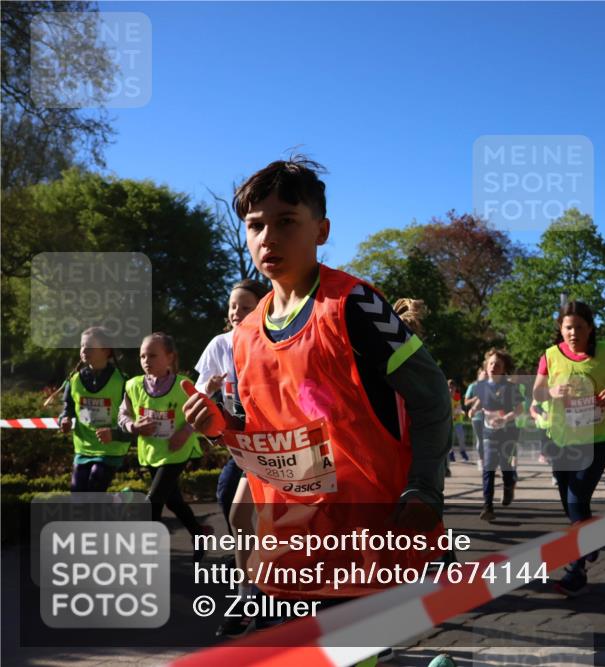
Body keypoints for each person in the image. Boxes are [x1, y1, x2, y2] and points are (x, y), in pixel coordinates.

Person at [183, 157, 451, 610]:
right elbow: (265, 432)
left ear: (321, 231)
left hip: (368, 531)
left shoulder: (353, 304)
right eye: (255, 225)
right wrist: (222, 426)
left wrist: (424, 488)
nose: (268, 237)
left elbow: (431, 395)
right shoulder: (246, 333)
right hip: (292, 535)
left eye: (286, 221)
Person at [532, 300, 605, 596]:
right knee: (570, 502)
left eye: (579, 327)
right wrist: (550, 391)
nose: (573, 333)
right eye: (568, 327)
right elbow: (537, 391)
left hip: (595, 438)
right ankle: (590, 539)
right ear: (560, 329)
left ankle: (576, 570)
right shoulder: (550, 356)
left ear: (590, 328)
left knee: (577, 498)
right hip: (560, 439)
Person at [193, 278, 269, 637]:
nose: (236, 312)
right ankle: (248, 592)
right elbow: (198, 404)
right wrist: (205, 397)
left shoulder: (274, 344)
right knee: (234, 507)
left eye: (245, 306)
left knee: (252, 514)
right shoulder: (220, 346)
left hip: (281, 448)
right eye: (232, 307)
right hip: (243, 450)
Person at [120, 332, 212, 560]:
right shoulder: (132, 385)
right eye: (142, 356)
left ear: (170, 357)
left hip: (177, 451)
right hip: (151, 452)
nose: (146, 361)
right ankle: (199, 533)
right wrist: (133, 426)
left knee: (154, 500)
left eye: (152, 355)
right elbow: (123, 416)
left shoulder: (184, 385)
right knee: (174, 501)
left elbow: (203, 412)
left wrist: (186, 431)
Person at [58, 326, 131, 493]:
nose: (84, 350)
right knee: (78, 494)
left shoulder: (123, 381)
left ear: (106, 350)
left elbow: (131, 419)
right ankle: (120, 502)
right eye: (82, 346)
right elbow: (67, 409)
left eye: (90, 347)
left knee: (95, 485)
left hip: (110, 448)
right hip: (83, 447)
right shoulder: (74, 380)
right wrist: (64, 420)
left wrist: (115, 433)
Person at [470, 349, 522, 521]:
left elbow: (520, 409)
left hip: (507, 432)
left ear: (504, 368)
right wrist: (474, 409)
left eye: (498, 364)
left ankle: (509, 484)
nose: (493, 367)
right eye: (491, 363)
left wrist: (505, 418)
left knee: (505, 466)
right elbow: (480, 400)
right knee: (489, 467)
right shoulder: (482, 386)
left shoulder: (510, 387)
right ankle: (488, 506)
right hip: (488, 432)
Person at [465, 367, 487, 470]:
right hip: (477, 417)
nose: (486, 376)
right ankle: (481, 461)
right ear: (479, 375)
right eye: (484, 374)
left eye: (487, 374)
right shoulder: (472, 386)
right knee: (481, 439)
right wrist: (475, 398)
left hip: (489, 417)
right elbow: (466, 402)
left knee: (489, 440)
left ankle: (488, 463)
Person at [447, 379, 470, 462]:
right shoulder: (446, 397)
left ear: (455, 388)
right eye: (449, 387)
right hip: (449, 421)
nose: (450, 389)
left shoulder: (457, 396)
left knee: (461, 437)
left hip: (458, 421)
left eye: (452, 388)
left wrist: (460, 411)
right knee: (450, 438)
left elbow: (458, 407)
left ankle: (462, 452)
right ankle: (451, 453)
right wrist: (455, 412)